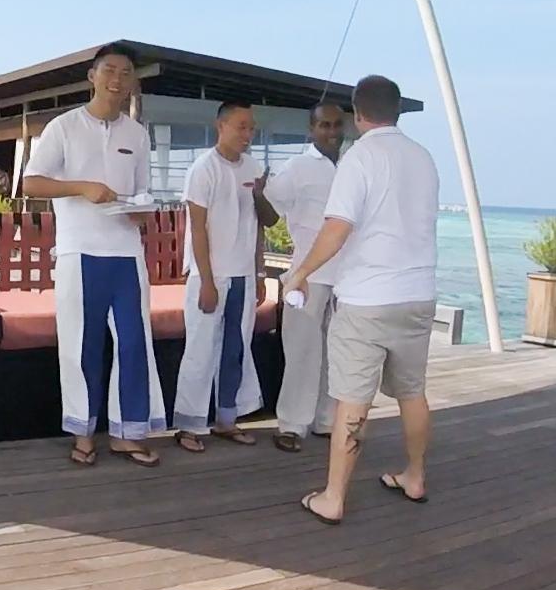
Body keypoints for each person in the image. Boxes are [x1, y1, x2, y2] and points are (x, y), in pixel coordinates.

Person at [281, 75, 439, 524]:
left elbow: (337, 227)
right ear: (397, 110)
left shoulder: (360, 158)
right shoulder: (424, 158)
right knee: (412, 392)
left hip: (368, 298)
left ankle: (334, 497)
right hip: (419, 295)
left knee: (352, 399)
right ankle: (415, 476)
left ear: (356, 113)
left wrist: (301, 273)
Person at [22, 42, 165, 467]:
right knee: (82, 345)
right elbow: (31, 183)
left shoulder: (137, 135)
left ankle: (129, 433)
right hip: (79, 252)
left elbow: (141, 193)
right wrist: (81, 187)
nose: (117, 80)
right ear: (93, 75)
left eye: (125, 73)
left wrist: (141, 212)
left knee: (135, 343)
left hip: (126, 254)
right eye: (110, 70)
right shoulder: (63, 127)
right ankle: (83, 433)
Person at [171, 102, 266, 452]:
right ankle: (188, 425)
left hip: (242, 274)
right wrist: (207, 280)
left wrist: (258, 272)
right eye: (241, 127)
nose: (247, 134)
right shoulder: (203, 168)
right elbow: (197, 227)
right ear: (221, 126)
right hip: (210, 276)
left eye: (251, 128)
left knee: (236, 349)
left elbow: (258, 227)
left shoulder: (254, 168)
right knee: (200, 349)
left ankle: (228, 419)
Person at [263, 102, 345, 452]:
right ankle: (292, 425)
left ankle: (327, 421)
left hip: (349, 277)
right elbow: (268, 212)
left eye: (337, 125)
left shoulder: (353, 166)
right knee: (301, 352)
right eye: (324, 125)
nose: (331, 132)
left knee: (338, 354)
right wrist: (254, 192)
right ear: (311, 129)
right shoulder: (297, 167)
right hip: (308, 275)